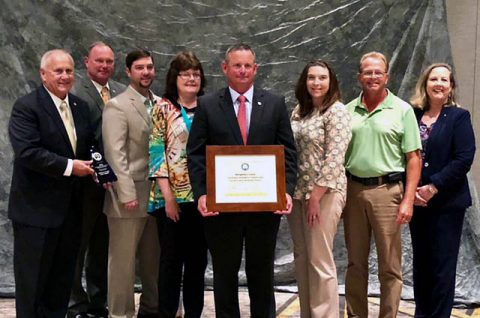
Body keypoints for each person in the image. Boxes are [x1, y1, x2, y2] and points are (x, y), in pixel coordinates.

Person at [187, 43, 297, 318]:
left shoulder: (274, 103)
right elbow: (196, 154)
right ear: (225, 68)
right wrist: (201, 193)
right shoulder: (208, 105)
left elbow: (288, 152)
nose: (243, 70)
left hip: (264, 208)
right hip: (222, 208)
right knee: (224, 274)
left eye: (248, 65)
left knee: (261, 273)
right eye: (237, 65)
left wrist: (287, 191)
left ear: (256, 69)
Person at [8, 49, 95, 318]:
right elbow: (28, 153)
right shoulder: (27, 107)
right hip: (36, 214)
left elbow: (89, 149)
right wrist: (71, 167)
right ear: (43, 74)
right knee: (33, 285)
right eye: (58, 71)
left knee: (61, 284)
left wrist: (101, 170)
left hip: (70, 213)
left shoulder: (81, 107)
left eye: (69, 70)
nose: (65, 76)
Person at [343, 51, 422, 318]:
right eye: (368, 72)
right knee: (355, 264)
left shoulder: (402, 110)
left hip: (388, 193)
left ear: (387, 76)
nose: (373, 76)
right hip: (353, 191)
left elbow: (413, 158)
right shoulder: (347, 111)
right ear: (359, 77)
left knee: (390, 266)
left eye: (378, 72)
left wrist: (408, 199)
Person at [409, 63, 476, 318]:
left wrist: (433, 186)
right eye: (433, 79)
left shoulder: (459, 117)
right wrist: (411, 190)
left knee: (442, 268)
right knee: (422, 265)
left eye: (444, 80)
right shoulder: (413, 115)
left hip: (446, 203)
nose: (439, 83)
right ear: (425, 84)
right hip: (417, 202)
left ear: (451, 87)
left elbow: (464, 158)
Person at [288, 60, 351, 318]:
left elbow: (334, 157)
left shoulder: (336, 112)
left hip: (324, 194)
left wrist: (315, 197)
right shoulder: (299, 112)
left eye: (322, 77)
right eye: (311, 77)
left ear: (331, 81)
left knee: (320, 260)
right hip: (298, 193)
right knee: (302, 257)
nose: (316, 82)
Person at [148, 51, 208, 318]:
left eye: (196, 74)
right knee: (171, 263)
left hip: (203, 199)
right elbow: (156, 153)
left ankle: (194, 313)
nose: (191, 78)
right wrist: (169, 197)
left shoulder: (209, 107)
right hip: (170, 199)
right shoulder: (162, 108)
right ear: (175, 77)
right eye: (186, 74)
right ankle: (167, 313)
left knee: (197, 263)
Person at [68, 41, 126, 318]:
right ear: (87, 62)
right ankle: (75, 304)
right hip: (83, 182)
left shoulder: (122, 91)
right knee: (78, 245)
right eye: (99, 61)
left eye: (109, 61)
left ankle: (97, 302)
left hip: (113, 184)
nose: (104, 66)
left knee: (103, 245)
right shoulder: (74, 90)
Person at [102, 49, 160, 318]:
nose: (146, 72)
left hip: (158, 196)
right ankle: (120, 313)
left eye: (149, 67)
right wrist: (125, 194)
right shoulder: (117, 105)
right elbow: (115, 154)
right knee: (123, 265)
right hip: (128, 196)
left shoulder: (161, 103)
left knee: (154, 261)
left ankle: (152, 310)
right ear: (128, 72)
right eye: (139, 67)